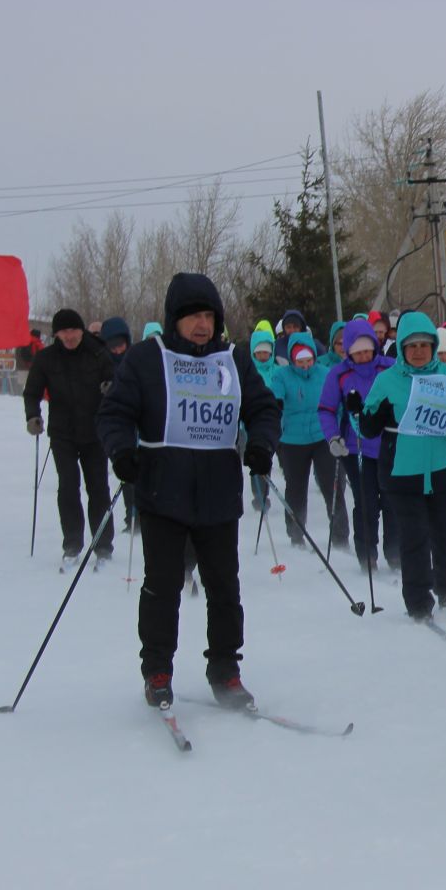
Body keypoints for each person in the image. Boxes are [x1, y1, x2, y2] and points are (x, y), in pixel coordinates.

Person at [98, 272, 282, 709]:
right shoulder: (147, 358)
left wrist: (260, 443)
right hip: (163, 492)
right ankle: (157, 671)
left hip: (218, 495)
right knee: (162, 588)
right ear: (173, 320)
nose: (202, 324)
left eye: (208, 316)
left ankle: (225, 670)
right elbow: (114, 413)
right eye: (192, 316)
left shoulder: (233, 359)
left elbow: (263, 408)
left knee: (224, 588)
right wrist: (122, 451)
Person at [357, 312, 446, 620]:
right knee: (413, 538)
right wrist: (372, 415)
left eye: (425, 345)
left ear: (433, 346)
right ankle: (417, 602)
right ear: (401, 347)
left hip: (444, 470)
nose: (418, 351)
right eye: (411, 345)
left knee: (445, 536)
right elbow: (367, 427)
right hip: (403, 474)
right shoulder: (387, 380)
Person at [23, 308, 117, 561]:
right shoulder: (46, 358)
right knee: (68, 487)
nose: (70, 336)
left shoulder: (98, 352)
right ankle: (72, 543)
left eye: (73, 330)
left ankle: (103, 544)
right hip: (62, 433)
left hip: (95, 432)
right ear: (57, 334)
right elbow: (32, 392)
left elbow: (115, 378)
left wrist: (110, 387)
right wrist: (33, 415)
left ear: (82, 329)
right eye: (64, 332)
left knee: (98, 488)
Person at [319, 320, 398, 572]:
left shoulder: (389, 367)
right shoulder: (339, 374)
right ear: (348, 352)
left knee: (392, 500)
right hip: (356, 448)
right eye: (358, 352)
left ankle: (395, 552)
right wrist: (333, 438)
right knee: (366, 503)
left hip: (389, 446)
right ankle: (367, 554)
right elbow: (326, 409)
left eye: (367, 350)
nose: (364, 356)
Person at [271, 332, 345, 548]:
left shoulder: (324, 373)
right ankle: (296, 533)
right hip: (293, 439)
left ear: (314, 357)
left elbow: (337, 402)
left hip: (322, 436)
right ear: (293, 360)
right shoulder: (282, 375)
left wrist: (338, 429)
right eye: (300, 362)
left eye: (309, 361)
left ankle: (340, 536)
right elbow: (277, 395)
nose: (305, 366)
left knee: (332, 485)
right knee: (295, 488)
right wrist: (276, 404)